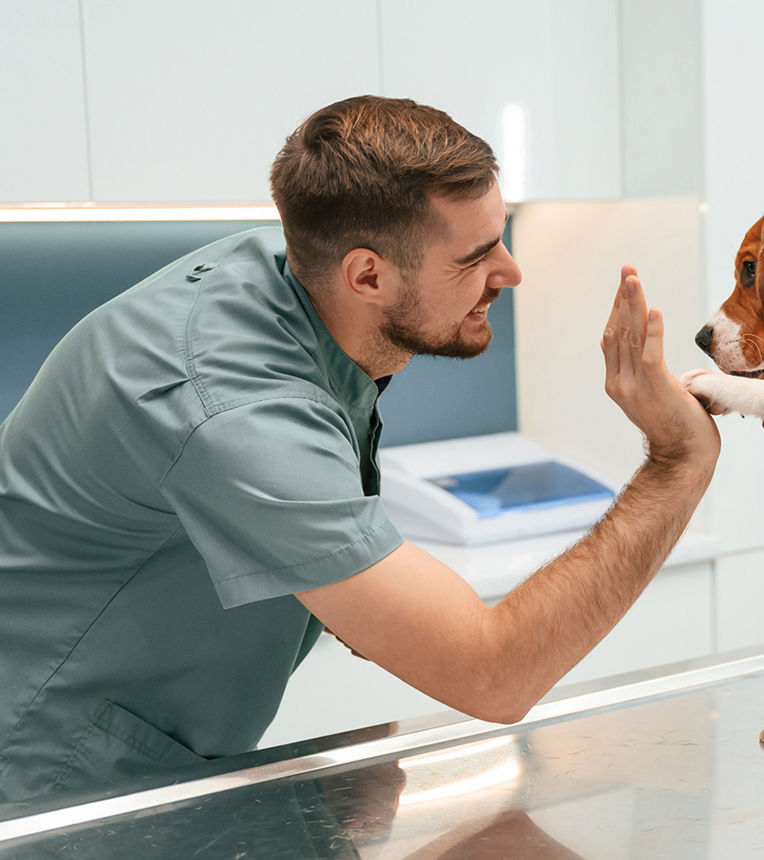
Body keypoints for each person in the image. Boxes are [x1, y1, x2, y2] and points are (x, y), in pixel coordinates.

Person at [0, 95, 719, 802]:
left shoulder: (296, 281)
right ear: (367, 276)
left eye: (500, 237)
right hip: (47, 784)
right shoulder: (233, 406)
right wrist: (676, 463)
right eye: (475, 257)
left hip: (152, 761)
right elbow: (494, 674)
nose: (510, 272)